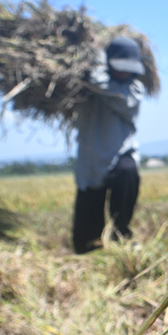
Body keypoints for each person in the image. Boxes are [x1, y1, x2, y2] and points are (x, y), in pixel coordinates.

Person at [71, 36, 145, 254]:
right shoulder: (83, 88)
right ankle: (89, 248)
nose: (125, 73)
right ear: (110, 64)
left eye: (129, 69)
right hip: (91, 157)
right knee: (85, 233)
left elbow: (101, 84)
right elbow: (95, 83)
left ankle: (120, 234)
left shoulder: (134, 90)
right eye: (120, 67)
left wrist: (96, 57)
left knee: (127, 173)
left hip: (121, 152)